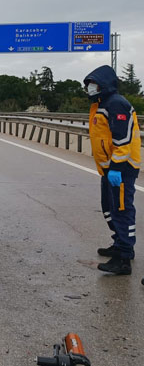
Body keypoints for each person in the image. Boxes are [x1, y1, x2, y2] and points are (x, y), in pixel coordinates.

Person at [84, 65, 138, 275]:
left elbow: (122, 140)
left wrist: (116, 167)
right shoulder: (101, 104)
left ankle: (123, 257)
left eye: (93, 84)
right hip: (108, 168)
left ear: (104, 84)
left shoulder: (116, 104)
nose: (90, 88)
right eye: (88, 85)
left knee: (122, 210)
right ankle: (119, 243)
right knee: (109, 208)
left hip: (121, 168)